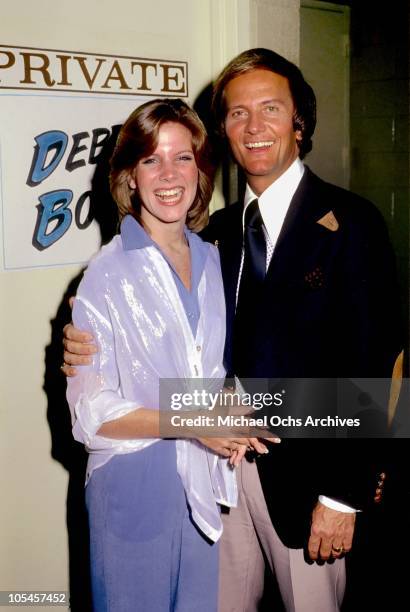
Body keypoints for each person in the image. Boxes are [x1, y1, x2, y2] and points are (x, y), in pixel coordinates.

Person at [63, 49, 403, 611]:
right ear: (222, 129)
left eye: (270, 108)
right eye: (237, 113)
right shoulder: (216, 234)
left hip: (311, 480)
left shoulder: (352, 222)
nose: (254, 126)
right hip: (217, 475)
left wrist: (345, 494)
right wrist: (83, 341)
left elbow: (379, 363)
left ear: (300, 122)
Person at [65, 97, 270, 612]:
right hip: (133, 489)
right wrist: (196, 420)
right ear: (130, 176)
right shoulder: (106, 274)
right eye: (151, 159)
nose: (169, 173)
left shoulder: (214, 258)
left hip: (201, 486)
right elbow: (91, 416)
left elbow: (215, 367)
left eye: (183, 157)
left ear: (202, 170)